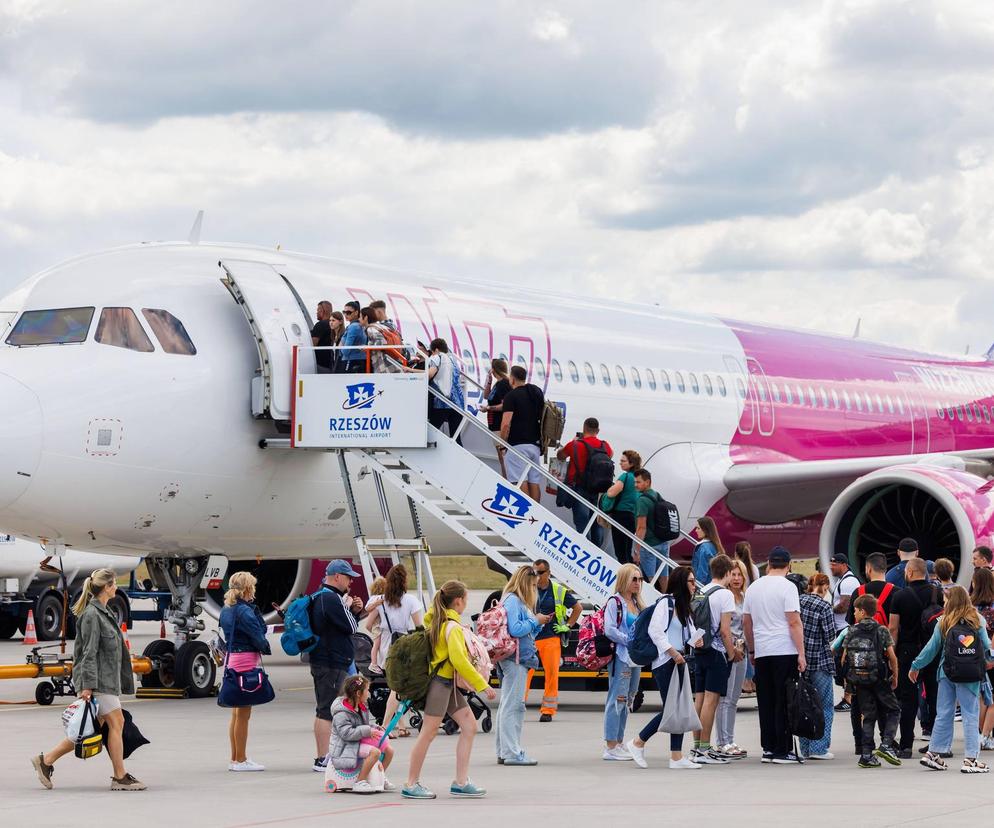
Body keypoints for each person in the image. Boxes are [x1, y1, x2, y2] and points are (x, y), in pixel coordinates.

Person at [31, 568, 146, 791]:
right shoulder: (92, 615)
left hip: (107, 681)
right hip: (99, 682)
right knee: (117, 723)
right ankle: (120, 777)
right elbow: (88, 653)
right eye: (114, 584)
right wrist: (87, 686)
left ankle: (45, 761)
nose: (117, 588)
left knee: (88, 729)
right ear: (106, 587)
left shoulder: (104, 611)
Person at [403, 580, 497, 800]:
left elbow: (428, 618)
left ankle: (461, 781)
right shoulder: (452, 628)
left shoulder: (438, 620)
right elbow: (459, 660)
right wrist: (482, 684)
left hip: (448, 685)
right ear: (458, 601)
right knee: (428, 733)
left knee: (469, 726)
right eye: (465, 599)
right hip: (441, 685)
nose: (466, 604)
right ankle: (410, 783)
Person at [626, 566, 703, 770]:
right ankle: (638, 742)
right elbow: (655, 631)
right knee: (673, 709)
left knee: (677, 709)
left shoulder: (685, 607)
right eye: (691, 581)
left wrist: (697, 640)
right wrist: (671, 652)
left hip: (679, 660)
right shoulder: (667, 603)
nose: (695, 585)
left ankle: (676, 757)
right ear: (681, 583)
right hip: (666, 662)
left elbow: (689, 634)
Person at [911, 585, 993, 773]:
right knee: (970, 715)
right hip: (970, 675)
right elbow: (987, 648)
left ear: (952, 600)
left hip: (946, 672)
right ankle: (971, 759)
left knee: (944, 713)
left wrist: (916, 665)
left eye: (946, 599)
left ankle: (934, 753)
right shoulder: (977, 620)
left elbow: (931, 648)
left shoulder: (944, 621)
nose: (944, 602)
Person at [742, 545, 805, 763]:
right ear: (789, 565)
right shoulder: (788, 587)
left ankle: (768, 747)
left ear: (769, 564)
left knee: (766, 700)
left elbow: (747, 623)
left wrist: (752, 649)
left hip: (762, 651)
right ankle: (782, 749)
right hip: (784, 649)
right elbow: (794, 622)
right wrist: (801, 653)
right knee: (784, 700)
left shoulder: (753, 587)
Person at [310, 560, 364, 772]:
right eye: (348, 577)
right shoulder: (331, 599)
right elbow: (351, 627)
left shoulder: (320, 596)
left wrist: (352, 610)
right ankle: (322, 758)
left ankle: (324, 756)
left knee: (324, 709)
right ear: (337, 577)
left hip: (324, 660)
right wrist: (350, 608)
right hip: (330, 662)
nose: (351, 581)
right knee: (326, 711)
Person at [495, 565, 551, 765]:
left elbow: (524, 632)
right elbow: (516, 629)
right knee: (514, 706)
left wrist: (537, 624)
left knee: (508, 704)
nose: (535, 589)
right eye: (533, 585)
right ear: (525, 584)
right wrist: (535, 620)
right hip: (515, 660)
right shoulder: (513, 600)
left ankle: (505, 750)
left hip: (517, 657)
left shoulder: (515, 601)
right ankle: (512, 752)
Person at [690, 554, 741, 765]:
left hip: (700, 650)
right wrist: (732, 654)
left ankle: (696, 747)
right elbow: (725, 631)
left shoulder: (701, 591)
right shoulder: (725, 595)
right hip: (717, 652)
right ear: (728, 573)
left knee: (699, 699)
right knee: (712, 701)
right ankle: (705, 749)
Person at [219, 571, 272, 772]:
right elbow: (259, 634)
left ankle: (235, 758)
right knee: (244, 714)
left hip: (233, 659)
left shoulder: (227, 609)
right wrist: (265, 646)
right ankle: (241, 759)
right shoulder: (245, 611)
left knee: (236, 713)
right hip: (245, 662)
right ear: (248, 588)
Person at [843, 594, 901, 768]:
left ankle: (866, 755)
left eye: (855, 610)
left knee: (868, 716)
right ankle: (886, 744)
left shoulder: (852, 630)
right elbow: (891, 656)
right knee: (894, 710)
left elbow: (845, 657)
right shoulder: (881, 630)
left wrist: (849, 679)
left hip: (859, 680)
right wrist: (895, 675)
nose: (853, 614)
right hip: (878, 679)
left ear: (862, 611)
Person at [365, 565, 423, 737]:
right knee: (397, 688)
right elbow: (420, 627)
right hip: (403, 644)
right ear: (404, 581)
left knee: (395, 687)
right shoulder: (411, 600)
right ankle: (385, 727)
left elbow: (368, 618)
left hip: (386, 644)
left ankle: (400, 725)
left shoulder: (381, 600)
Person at [888, 558, 936, 757]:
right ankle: (937, 743)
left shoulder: (899, 596)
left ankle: (906, 745)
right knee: (934, 696)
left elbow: (893, 628)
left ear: (908, 573)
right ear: (925, 573)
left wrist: (892, 653)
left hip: (908, 651)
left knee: (908, 699)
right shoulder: (937, 593)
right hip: (933, 649)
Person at [788, 573, 836, 761]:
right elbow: (830, 634)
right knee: (824, 705)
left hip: (800, 659)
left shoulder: (799, 601)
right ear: (824, 587)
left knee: (804, 704)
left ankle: (805, 747)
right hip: (820, 660)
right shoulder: (824, 606)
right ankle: (819, 747)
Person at [526, 560, 581, 723]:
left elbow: (577, 608)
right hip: (530, 637)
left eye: (540, 573)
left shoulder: (558, 590)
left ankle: (548, 710)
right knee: (524, 673)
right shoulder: (529, 589)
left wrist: (568, 625)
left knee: (551, 674)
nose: (536, 576)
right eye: (534, 572)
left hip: (550, 638)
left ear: (548, 573)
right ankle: (518, 706)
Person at [602, 564, 645, 759]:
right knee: (617, 699)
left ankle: (618, 742)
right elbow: (609, 629)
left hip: (635, 658)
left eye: (640, 579)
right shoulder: (615, 602)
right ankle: (610, 746)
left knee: (628, 699)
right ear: (624, 579)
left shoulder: (637, 603)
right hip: (621, 656)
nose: (637, 583)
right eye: (633, 579)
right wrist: (629, 641)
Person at [329, 675, 395, 794]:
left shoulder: (361, 707)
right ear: (358, 693)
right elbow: (346, 734)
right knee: (374, 752)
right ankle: (360, 781)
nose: (368, 693)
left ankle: (379, 776)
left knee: (389, 750)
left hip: (356, 742)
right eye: (367, 690)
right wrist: (367, 731)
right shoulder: (341, 713)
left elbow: (362, 725)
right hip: (344, 747)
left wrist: (374, 728)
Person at [556, 418, 614, 546]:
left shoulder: (576, 444)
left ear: (584, 428)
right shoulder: (605, 446)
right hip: (598, 488)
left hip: (579, 488)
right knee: (595, 522)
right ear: (597, 431)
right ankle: (596, 549)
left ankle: (585, 547)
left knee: (582, 522)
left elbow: (560, 456)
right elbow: (610, 456)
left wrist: (573, 442)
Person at [715, 559, 749, 758]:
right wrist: (732, 649)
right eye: (733, 574)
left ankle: (730, 738)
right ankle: (722, 742)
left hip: (742, 650)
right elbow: (723, 629)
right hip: (728, 650)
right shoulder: (725, 596)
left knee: (734, 698)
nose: (736, 578)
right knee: (725, 698)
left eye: (740, 575)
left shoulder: (745, 596)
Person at [500, 365, 545, 503]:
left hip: (518, 445)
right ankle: (536, 513)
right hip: (535, 445)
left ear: (512, 379)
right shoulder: (535, 392)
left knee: (519, 481)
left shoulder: (511, 396)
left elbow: (506, 424)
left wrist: (502, 444)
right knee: (534, 481)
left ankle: (527, 512)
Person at [829, 551, 861, 712]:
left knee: (845, 665)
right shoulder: (842, 580)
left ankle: (849, 698)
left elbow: (845, 605)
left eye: (834, 564)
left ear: (844, 565)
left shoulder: (848, 582)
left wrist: (828, 610)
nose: (831, 567)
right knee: (842, 665)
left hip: (845, 629)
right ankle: (848, 697)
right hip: (841, 628)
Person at [603, 450, 642, 566]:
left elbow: (611, 493)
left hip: (621, 515)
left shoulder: (625, 477)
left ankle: (627, 575)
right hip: (633, 517)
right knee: (626, 548)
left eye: (623, 461)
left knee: (620, 551)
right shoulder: (638, 478)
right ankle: (631, 572)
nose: (620, 463)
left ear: (631, 463)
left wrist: (607, 492)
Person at [633, 469, 670, 588]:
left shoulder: (642, 500)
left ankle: (651, 603)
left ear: (647, 482)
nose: (635, 485)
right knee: (664, 576)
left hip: (649, 545)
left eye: (638, 482)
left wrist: (636, 551)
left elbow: (641, 527)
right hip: (663, 542)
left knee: (650, 579)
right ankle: (667, 599)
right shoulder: (657, 495)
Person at [970, 568, 994, 750]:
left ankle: (979, 733)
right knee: (992, 699)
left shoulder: (970, 607)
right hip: (989, 654)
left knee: (981, 696)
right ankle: (985, 736)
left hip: (971, 655)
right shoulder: (992, 607)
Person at [424, 338, 465, 442]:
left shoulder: (437, 357)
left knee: (428, 434)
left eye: (431, 352)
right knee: (456, 439)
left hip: (443, 402)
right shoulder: (453, 361)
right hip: (458, 403)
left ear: (436, 350)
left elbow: (429, 374)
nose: (431, 355)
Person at [479, 358, 511, 475]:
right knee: (501, 457)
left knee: (503, 457)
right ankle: (506, 479)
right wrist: (488, 381)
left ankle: (507, 480)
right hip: (494, 425)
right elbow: (487, 396)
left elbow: (505, 405)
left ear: (494, 369)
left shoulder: (504, 384)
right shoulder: (498, 384)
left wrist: (489, 408)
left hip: (499, 424)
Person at [362, 307, 401, 373]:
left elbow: (381, 342)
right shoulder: (380, 326)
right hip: (392, 363)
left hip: (383, 366)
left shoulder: (371, 329)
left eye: (360, 317)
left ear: (365, 317)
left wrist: (368, 348)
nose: (358, 319)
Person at [691, 517, 724, 587]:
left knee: (699, 598)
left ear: (705, 530)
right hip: (715, 586)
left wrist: (696, 589)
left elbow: (702, 574)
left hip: (703, 588)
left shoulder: (704, 548)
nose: (696, 531)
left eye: (698, 528)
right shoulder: (715, 545)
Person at [364, 576, 388, 675]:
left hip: (378, 625)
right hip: (376, 625)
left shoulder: (376, 597)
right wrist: (377, 603)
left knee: (378, 645)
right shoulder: (376, 598)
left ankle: (376, 663)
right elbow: (367, 608)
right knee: (376, 644)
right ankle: (373, 664)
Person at [339, 301, 368, 373]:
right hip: (358, 361)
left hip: (350, 361)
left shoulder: (353, 327)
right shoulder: (358, 326)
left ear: (356, 312)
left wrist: (340, 346)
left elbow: (346, 351)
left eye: (348, 312)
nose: (345, 314)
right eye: (344, 312)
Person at [311, 300, 335, 372]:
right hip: (329, 362)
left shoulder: (320, 325)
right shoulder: (332, 325)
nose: (317, 312)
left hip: (319, 363)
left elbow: (312, 344)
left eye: (318, 310)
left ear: (322, 311)